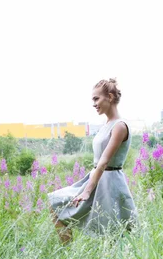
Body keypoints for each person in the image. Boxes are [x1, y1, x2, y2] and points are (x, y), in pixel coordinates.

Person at [48, 78, 137, 244]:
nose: (94, 103)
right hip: (96, 177)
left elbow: (103, 162)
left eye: (96, 99)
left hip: (109, 183)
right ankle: (66, 255)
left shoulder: (119, 126)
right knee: (56, 205)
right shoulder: (106, 124)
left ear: (110, 97)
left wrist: (87, 191)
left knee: (113, 234)